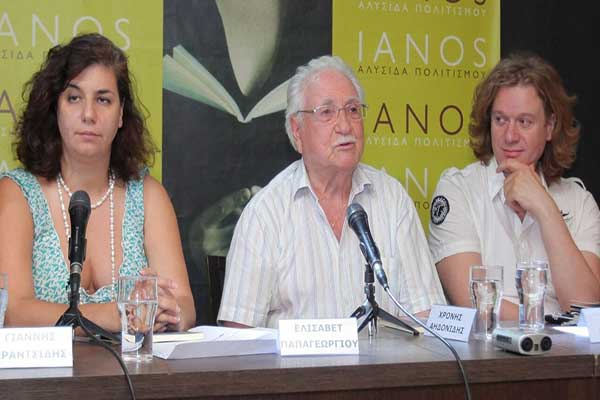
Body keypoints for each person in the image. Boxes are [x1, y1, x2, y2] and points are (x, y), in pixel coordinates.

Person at [218, 55, 445, 328]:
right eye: (326, 112)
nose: (345, 126)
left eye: (353, 110)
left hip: (383, 357)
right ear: (297, 130)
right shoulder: (266, 213)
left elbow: (426, 317)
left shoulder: (393, 200)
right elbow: (239, 335)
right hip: (295, 359)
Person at [0, 33, 195, 333]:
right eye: (74, 98)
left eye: (103, 100)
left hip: (133, 365)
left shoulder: (148, 194)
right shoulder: (17, 193)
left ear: (121, 114)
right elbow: (13, 312)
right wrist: (112, 315)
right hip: (48, 366)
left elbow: (185, 305)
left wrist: (168, 312)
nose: (89, 114)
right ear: (54, 107)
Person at [428, 53, 600, 318]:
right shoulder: (458, 191)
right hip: (492, 347)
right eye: (500, 120)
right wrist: (548, 326)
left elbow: (586, 308)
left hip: (562, 347)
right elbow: (474, 303)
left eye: (524, 122)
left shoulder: (579, 201)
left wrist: (545, 208)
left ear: (550, 127)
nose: (510, 136)